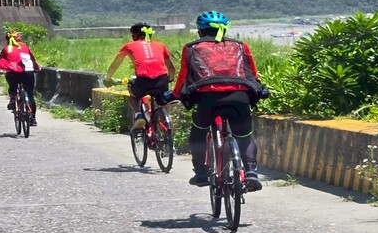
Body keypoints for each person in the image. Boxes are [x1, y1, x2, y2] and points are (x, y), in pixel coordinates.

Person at [170, 11, 265, 192]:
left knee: (198, 134)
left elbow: (183, 77)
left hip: (208, 99)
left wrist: (175, 94)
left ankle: (201, 173)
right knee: (244, 136)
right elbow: (252, 72)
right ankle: (251, 172)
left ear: (200, 30)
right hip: (239, 96)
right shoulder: (240, 45)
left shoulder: (191, 48)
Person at [103, 22, 176, 128]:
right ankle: (167, 123)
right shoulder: (161, 45)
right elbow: (171, 68)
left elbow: (115, 65)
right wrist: (170, 78)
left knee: (134, 96)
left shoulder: (128, 46)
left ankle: (138, 115)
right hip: (161, 80)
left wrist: (107, 79)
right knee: (163, 100)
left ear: (134, 36)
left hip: (142, 81)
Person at [0, 31, 41, 125]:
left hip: (13, 73)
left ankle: (13, 98)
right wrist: (36, 68)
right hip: (28, 72)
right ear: (19, 39)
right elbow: (33, 59)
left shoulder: (7, 49)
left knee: (12, 85)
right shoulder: (25, 47)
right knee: (30, 95)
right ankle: (33, 119)